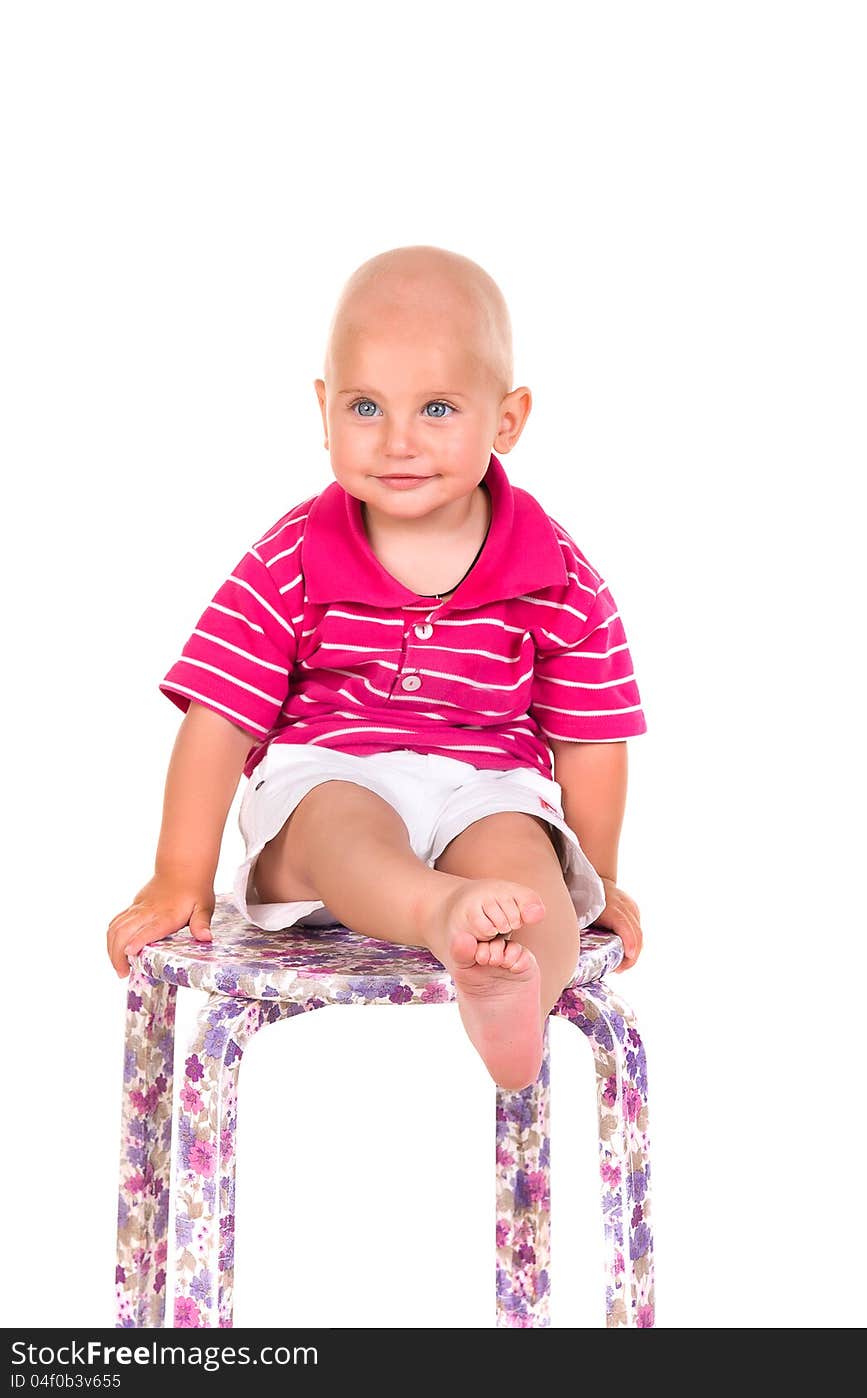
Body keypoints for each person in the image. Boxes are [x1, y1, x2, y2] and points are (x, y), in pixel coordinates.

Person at [106, 244, 647, 1092]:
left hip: (484, 784)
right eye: (366, 406)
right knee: (342, 825)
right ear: (324, 411)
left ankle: (512, 1000)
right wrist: (180, 871)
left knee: (525, 864)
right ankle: (439, 914)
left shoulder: (556, 573)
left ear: (506, 421)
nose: (398, 442)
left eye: (437, 408)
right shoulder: (292, 558)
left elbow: (593, 736)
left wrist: (601, 876)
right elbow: (219, 718)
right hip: (330, 777)